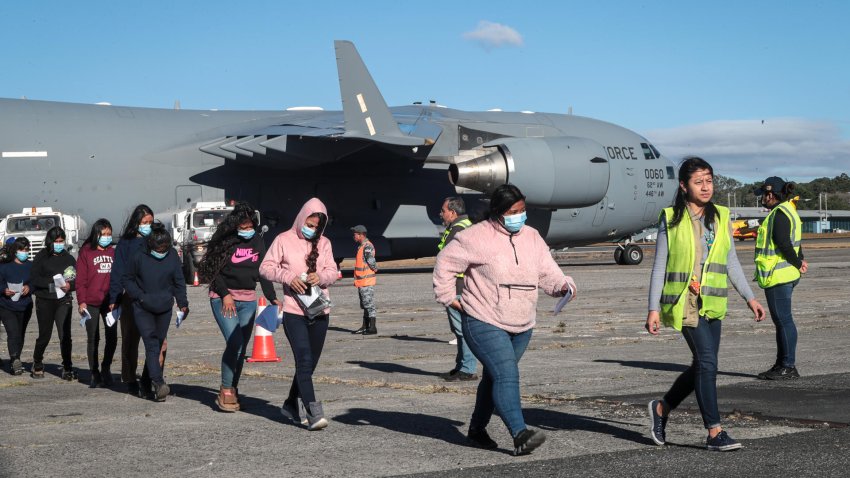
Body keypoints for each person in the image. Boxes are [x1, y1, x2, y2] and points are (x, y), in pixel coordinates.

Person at [433, 184, 576, 456]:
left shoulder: (532, 237)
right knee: (507, 374)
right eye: (513, 212)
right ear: (498, 212)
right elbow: (445, 263)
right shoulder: (475, 237)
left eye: (523, 211)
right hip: (483, 319)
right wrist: (449, 297)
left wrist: (563, 286)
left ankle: (476, 430)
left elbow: (548, 271)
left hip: (522, 324)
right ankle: (520, 434)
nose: (520, 216)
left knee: (495, 377)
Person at [645, 156, 766, 451]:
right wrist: (652, 308)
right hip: (684, 302)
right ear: (684, 186)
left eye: (709, 180)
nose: (705, 187)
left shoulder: (722, 216)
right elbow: (660, 265)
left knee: (702, 364)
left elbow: (731, 261)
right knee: (709, 363)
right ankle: (714, 432)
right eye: (698, 182)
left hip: (713, 302)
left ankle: (662, 408)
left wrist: (750, 297)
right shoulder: (671, 218)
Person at [260, 198, 339, 430]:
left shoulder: (324, 243)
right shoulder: (283, 239)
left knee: (309, 366)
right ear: (301, 218)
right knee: (303, 360)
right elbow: (265, 267)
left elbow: (333, 271)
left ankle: (290, 405)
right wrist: (288, 277)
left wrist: (321, 277)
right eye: (309, 223)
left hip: (319, 310)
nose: (312, 229)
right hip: (294, 312)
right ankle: (314, 412)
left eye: (317, 226)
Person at [198, 201, 281, 412]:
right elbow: (212, 271)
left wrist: (272, 297)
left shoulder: (258, 241)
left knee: (241, 347)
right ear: (235, 226)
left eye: (249, 226)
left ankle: (232, 388)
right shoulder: (226, 241)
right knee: (234, 342)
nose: (246, 230)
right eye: (242, 227)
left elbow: (264, 270)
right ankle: (226, 389)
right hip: (223, 297)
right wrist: (225, 295)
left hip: (248, 299)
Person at [123, 223, 188, 402]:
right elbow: (127, 280)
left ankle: (145, 382)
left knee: (158, 345)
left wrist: (183, 303)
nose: (161, 250)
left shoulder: (172, 255)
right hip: (143, 307)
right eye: (158, 247)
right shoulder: (138, 256)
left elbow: (179, 280)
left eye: (165, 247)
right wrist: (139, 297)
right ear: (150, 245)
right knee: (151, 344)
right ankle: (159, 384)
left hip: (164, 307)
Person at [109, 204, 166, 397]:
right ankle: (130, 378)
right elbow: (117, 271)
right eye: (144, 222)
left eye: (150, 222)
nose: (148, 226)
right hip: (131, 298)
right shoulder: (126, 243)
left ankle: (150, 379)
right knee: (130, 341)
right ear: (136, 222)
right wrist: (114, 298)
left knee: (159, 343)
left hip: (155, 297)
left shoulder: (157, 240)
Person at [753, 177, 806, 380]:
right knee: (782, 322)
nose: (762, 200)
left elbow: (783, 243)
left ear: (771, 194)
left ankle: (788, 366)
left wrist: (797, 262)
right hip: (786, 275)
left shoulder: (779, 214)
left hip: (778, 276)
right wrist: (800, 259)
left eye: (763, 195)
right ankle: (781, 363)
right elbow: (796, 242)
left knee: (784, 321)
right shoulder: (789, 210)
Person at [437, 196, 477, 381]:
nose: (441, 214)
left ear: (453, 213)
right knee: (460, 329)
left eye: (443, 211)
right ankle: (461, 365)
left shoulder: (458, 230)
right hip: (460, 286)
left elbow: (451, 261)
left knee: (462, 329)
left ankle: (467, 368)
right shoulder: (465, 227)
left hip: (457, 288)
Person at [30, 226, 77, 380]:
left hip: (63, 300)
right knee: (45, 335)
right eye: (56, 241)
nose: (59, 243)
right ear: (50, 242)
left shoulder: (69, 258)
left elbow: (77, 279)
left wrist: (70, 285)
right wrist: (52, 282)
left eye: (61, 241)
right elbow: (34, 279)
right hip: (45, 300)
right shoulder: (41, 257)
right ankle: (37, 361)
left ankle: (68, 366)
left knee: (65, 335)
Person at [76, 219, 117, 388]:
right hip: (91, 303)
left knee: (112, 337)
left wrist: (116, 300)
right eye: (103, 234)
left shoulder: (113, 253)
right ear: (96, 234)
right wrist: (82, 302)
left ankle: (106, 367)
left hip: (109, 303)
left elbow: (118, 278)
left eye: (109, 234)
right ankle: (94, 372)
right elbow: (80, 281)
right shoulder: (86, 252)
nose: (107, 237)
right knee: (93, 337)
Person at [0, 237, 33, 375]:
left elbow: (37, 282)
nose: (23, 252)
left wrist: (29, 287)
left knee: (20, 333)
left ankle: (17, 357)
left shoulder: (31, 266)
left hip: (25, 305)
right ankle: (14, 359)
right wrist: (4, 290)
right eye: (21, 249)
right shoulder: (4, 266)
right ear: (15, 250)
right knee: (12, 333)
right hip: (6, 305)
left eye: (26, 250)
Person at [351, 225, 378, 335]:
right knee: (365, 304)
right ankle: (365, 326)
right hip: (362, 281)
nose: (354, 236)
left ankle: (372, 328)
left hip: (366, 281)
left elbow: (371, 261)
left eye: (355, 234)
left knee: (369, 304)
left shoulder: (367, 246)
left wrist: (375, 268)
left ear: (361, 234)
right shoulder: (362, 246)